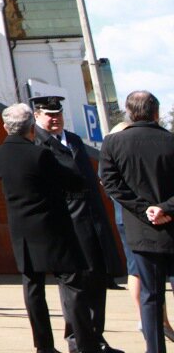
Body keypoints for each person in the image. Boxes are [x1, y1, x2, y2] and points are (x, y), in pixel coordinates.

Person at [0, 101, 100, 353]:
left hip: (22, 231)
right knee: (72, 286)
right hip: (54, 228)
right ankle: (85, 345)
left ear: (5, 126)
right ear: (32, 127)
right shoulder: (41, 154)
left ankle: (43, 346)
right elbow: (73, 182)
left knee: (33, 287)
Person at [36, 95, 119, 351]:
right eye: (49, 115)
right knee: (74, 288)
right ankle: (78, 342)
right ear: (37, 115)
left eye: (58, 114)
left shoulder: (72, 140)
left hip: (91, 222)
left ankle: (96, 338)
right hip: (67, 226)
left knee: (96, 282)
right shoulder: (38, 145)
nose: (55, 120)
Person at [99, 91, 174, 353]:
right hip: (172, 226)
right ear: (156, 112)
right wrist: (165, 209)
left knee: (150, 297)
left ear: (129, 113)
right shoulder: (170, 140)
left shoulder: (113, 143)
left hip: (142, 232)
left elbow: (110, 184)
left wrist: (146, 211)